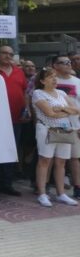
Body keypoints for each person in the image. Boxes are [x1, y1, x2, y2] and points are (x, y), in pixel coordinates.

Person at [31, 68, 80, 207]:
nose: (54, 79)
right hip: (46, 129)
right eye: (50, 77)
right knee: (44, 160)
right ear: (42, 81)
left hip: (64, 129)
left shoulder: (61, 93)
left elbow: (76, 110)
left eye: (55, 76)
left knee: (61, 162)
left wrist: (60, 109)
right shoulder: (38, 93)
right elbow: (49, 113)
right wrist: (66, 111)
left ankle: (61, 194)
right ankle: (42, 194)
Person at [0, 45, 27, 197]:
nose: (8, 56)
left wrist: (26, 110)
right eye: (5, 53)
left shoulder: (19, 71)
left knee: (10, 153)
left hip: (16, 120)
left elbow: (24, 92)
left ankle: (6, 184)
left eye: (11, 53)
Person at [52, 55, 80, 199]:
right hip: (54, 125)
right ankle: (46, 188)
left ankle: (77, 187)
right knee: (52, 159)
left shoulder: (77, 82)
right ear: (55, 65)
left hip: (74, 126)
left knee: (75, 157)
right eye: (64, 63)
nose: (69, 64)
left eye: (69, 62)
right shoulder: (50, 81)